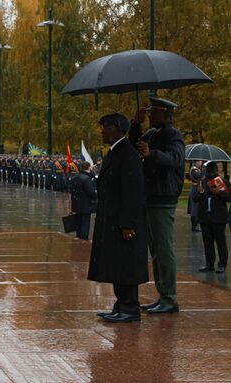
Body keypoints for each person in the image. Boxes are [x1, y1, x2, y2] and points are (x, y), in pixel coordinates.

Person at [88, 113, 148, 323]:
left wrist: (127, 224)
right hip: (112, 219)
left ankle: (130, 307)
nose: (103, 131)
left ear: (118, 129)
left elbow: (132, 192)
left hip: (123, 221)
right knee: (117, 264)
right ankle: (121, 304)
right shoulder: (116, 153)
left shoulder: (128, 154)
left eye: (106, 127)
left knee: (126, 265)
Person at [129, 97, 185, 314]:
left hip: (163, 198)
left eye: (154, 112)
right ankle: (163, 294)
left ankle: (170, 298)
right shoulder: (152, 134)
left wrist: (151, 153)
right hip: (151, 196)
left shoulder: (174, 135)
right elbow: (134, 145)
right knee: (156, 250)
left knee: (164, 249)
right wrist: (136, 124)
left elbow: (175, 159)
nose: (150, 115)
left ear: (166, 114)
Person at [192, 161, 231, 273]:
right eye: (208, 170)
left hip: (218, 218)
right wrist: (199, 193)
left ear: (216, 170)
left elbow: (229, 197)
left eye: (212, 170)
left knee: (221, 242)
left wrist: (219, 192)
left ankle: (222, 264)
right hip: (205, 218)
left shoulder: (222, 182)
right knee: (207, 243)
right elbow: (195, 198)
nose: (210, 172)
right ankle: (209, 264)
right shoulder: (202, 182)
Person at [69, 161, 97, 240]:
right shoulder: (87, 179)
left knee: (78, 222)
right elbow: (91, 192)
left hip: (77, 203)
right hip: (85, 205)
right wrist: (96, 196)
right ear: (88, 168)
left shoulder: (75, 177)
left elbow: (71, 190)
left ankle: (78, 236)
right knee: (85, 222)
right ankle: (84, 239)